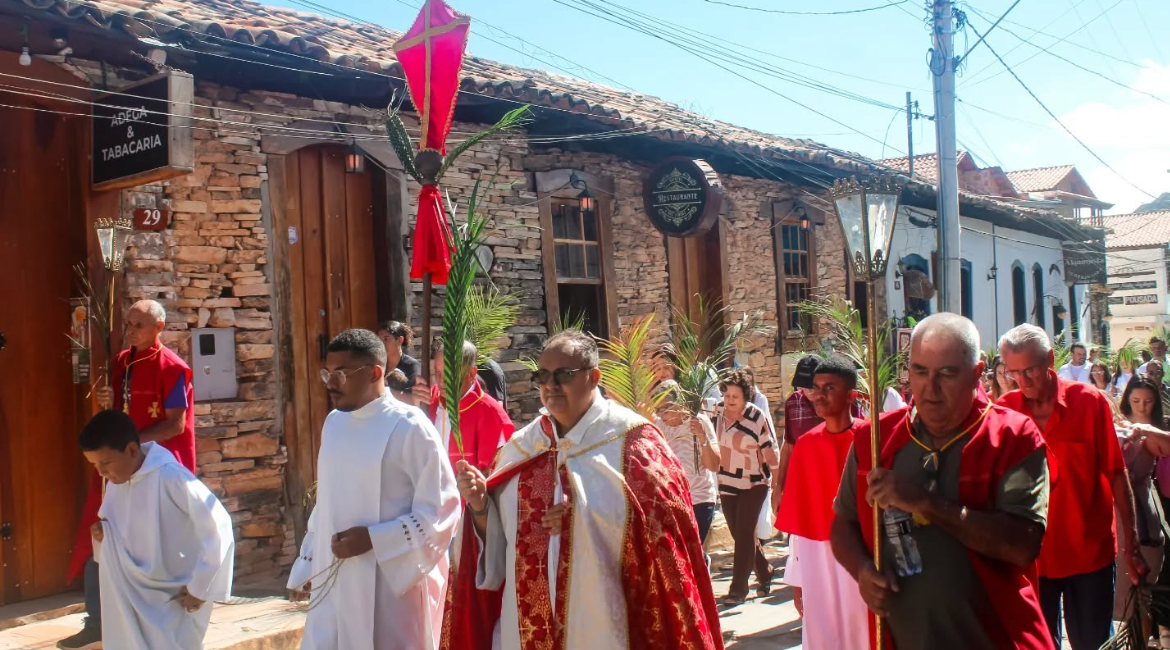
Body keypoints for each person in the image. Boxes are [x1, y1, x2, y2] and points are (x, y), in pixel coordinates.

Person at [443, 330, 723, 649]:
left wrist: (585, 519)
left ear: (594, 377)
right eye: (542, 375)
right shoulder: (521, 448)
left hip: (604, 626)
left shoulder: (634, 444)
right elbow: (495, 552)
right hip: (522, 629)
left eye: (563, 374)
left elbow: (662, 538)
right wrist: (480, 507)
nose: (550, 385)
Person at [831, 313, 1054, 650]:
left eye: (947, 374)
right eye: (920, 371)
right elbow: (842, 523)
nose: (929, 388)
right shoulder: (875, 439)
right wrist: (862, 570)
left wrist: (925, 503)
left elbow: (1023, 545)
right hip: (901, 637)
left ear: (977, 373)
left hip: (995, 636)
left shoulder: (1012, 437)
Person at [288, 329, 460, 650]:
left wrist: (375, 539)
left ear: (374, 373)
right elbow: (327, 501)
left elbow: (442, 509)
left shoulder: (410, 426)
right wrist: (309, 562)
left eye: (340, 374)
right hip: (335, 578)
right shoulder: (334, 423)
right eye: (328, 372)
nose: (329, 383)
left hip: (389, 586)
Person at [998, 323, 1146, 650]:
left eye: (1031, 370)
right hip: (1032, 558)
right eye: (1014, 373)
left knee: (1094, 644)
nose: (1024, 381)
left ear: (1050, 359)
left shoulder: (1089, 403)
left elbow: (1117, 475)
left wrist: (1131, 546)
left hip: (1088, 555)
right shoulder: (1004, 412)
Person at [61, 300, 196, 650]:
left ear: (159, 328)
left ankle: (148, 616)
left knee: (145, 542)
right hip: (120, 467)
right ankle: (97, 620)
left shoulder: (173, 367)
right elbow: (120, 415)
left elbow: (174, 424)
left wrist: (131, 444)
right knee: (101, 533)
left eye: (139, 324)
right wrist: (107, 403)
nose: (131, 330)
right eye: (129, 323)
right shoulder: (122, 362)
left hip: (152, 468)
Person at [80, 410, 233, 650]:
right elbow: (112, 531)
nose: (101, 472)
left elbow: (218, 525)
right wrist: (103, 534)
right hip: (130, 597)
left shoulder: (171, 477)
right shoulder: (115, 484)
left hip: (171, 599)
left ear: (132, 450)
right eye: (95, 465)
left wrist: (201, 587)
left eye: (106, 462)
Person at [775, 356, 868, 650]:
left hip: (860, 550)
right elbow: (799, 525)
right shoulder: (806, 445)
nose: (819, 395)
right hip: (816, 554)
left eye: (829, 387)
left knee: (861, 626)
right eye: (816, 387)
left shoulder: (868, 439)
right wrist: (797, 577)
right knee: (822, 630)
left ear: (851, 395)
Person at [716, 368, 780, 604]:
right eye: (727, 395)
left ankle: (738, 590)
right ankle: (764, 571)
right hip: (727, 480)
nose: (730, 401)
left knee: (744, 533)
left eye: (735, 397)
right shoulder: (717, 413)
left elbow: (771, 452)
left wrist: (777, 484)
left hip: (755, 482)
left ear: (746, 397)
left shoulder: (756, 417)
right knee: (740, 534)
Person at [1114, 376, 1168, 642]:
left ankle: (1141, 644)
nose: (1142, 407)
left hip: (1143, 512)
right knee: (1118, 596)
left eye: (1148, 402)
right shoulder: (1115, 424)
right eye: (1136, 401)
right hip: (1114, 512)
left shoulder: (1157, 429)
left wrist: (1147, 430)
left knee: (1143, 595)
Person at [415, 339, 514, 474]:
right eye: (437, 373)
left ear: (471, 373)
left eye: (450, 375)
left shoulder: (490, 413)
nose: (441, 381)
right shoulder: (427, 400)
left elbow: (493, 473)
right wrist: (413, 406)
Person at [653, 380, 720, 546]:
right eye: (657, 409)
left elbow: (714, 465)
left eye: (665, 408)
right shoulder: (658, 427)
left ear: (679, 403)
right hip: (672, 500)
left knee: (693, 548)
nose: (661, 414)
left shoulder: (698, 421)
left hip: (699, 497)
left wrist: (702, 437)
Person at [377, 320, 423, 401]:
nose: (382, 344)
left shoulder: (412, 365)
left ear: (400, 340)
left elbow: (415, 398)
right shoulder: (378, 365)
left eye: (386, 339)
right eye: (379, 340)